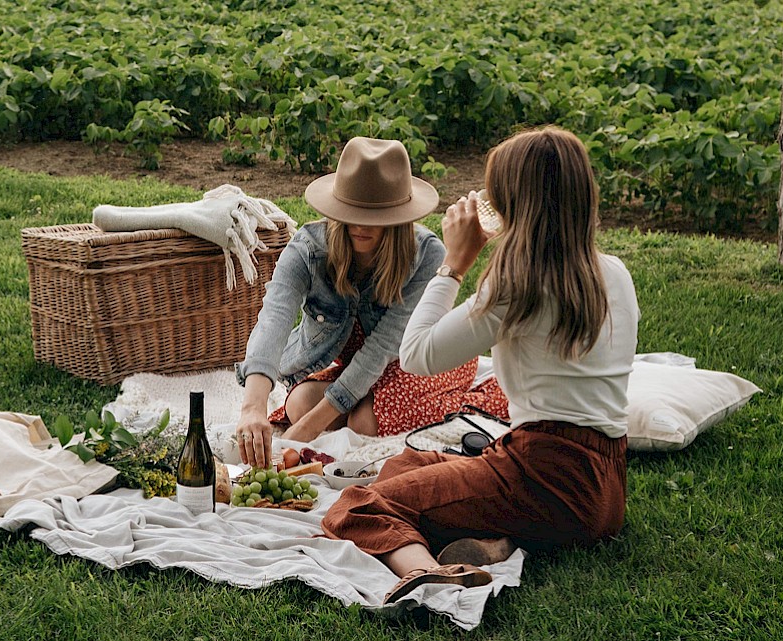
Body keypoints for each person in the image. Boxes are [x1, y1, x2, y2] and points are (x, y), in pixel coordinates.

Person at [321, 127, 640, 605]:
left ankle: (428, 573)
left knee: (359, 505)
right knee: (404, 464)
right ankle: (498, 542)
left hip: (543, 477)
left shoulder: (516, 288)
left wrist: (454, 263)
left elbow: (416, 354)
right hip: (606, 484)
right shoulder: (614, 273)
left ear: (514, 205)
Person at [234, 137, 484, 469]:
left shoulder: (425, 255)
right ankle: (359, 400)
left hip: (414, 358)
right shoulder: (308, 250)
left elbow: (382, 348)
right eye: (352, 212)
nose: (361, 224)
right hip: (351, 364)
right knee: (300, 404)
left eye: (375, 216)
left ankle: (463, 400)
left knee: (363, 423)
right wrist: (253, 406)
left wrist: (304, 432)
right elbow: (274, 318)